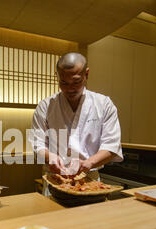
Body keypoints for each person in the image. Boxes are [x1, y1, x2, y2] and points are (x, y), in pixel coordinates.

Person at [29, 52, 123, 195]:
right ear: (58, 76)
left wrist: (89, 163)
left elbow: (111, 145)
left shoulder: (104, 104)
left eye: (76, 82)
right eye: (64, 83)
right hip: (55, 179)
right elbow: (38, 143)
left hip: (89, 179)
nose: (69, 89)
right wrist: (50, 157)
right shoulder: (45, 106)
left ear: (87, 74)